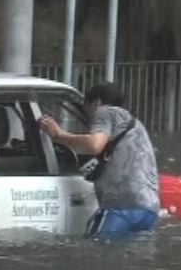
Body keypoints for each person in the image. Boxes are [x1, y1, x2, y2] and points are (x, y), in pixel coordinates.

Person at [38, 82, 160, 241]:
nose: (88, 116)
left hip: (121, 207)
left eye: (85, 107)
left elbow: (94, 145)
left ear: (96, 102)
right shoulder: (135, 125)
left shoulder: (104, 112)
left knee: (93, 250)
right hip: (148, 209)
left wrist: (58, 135)